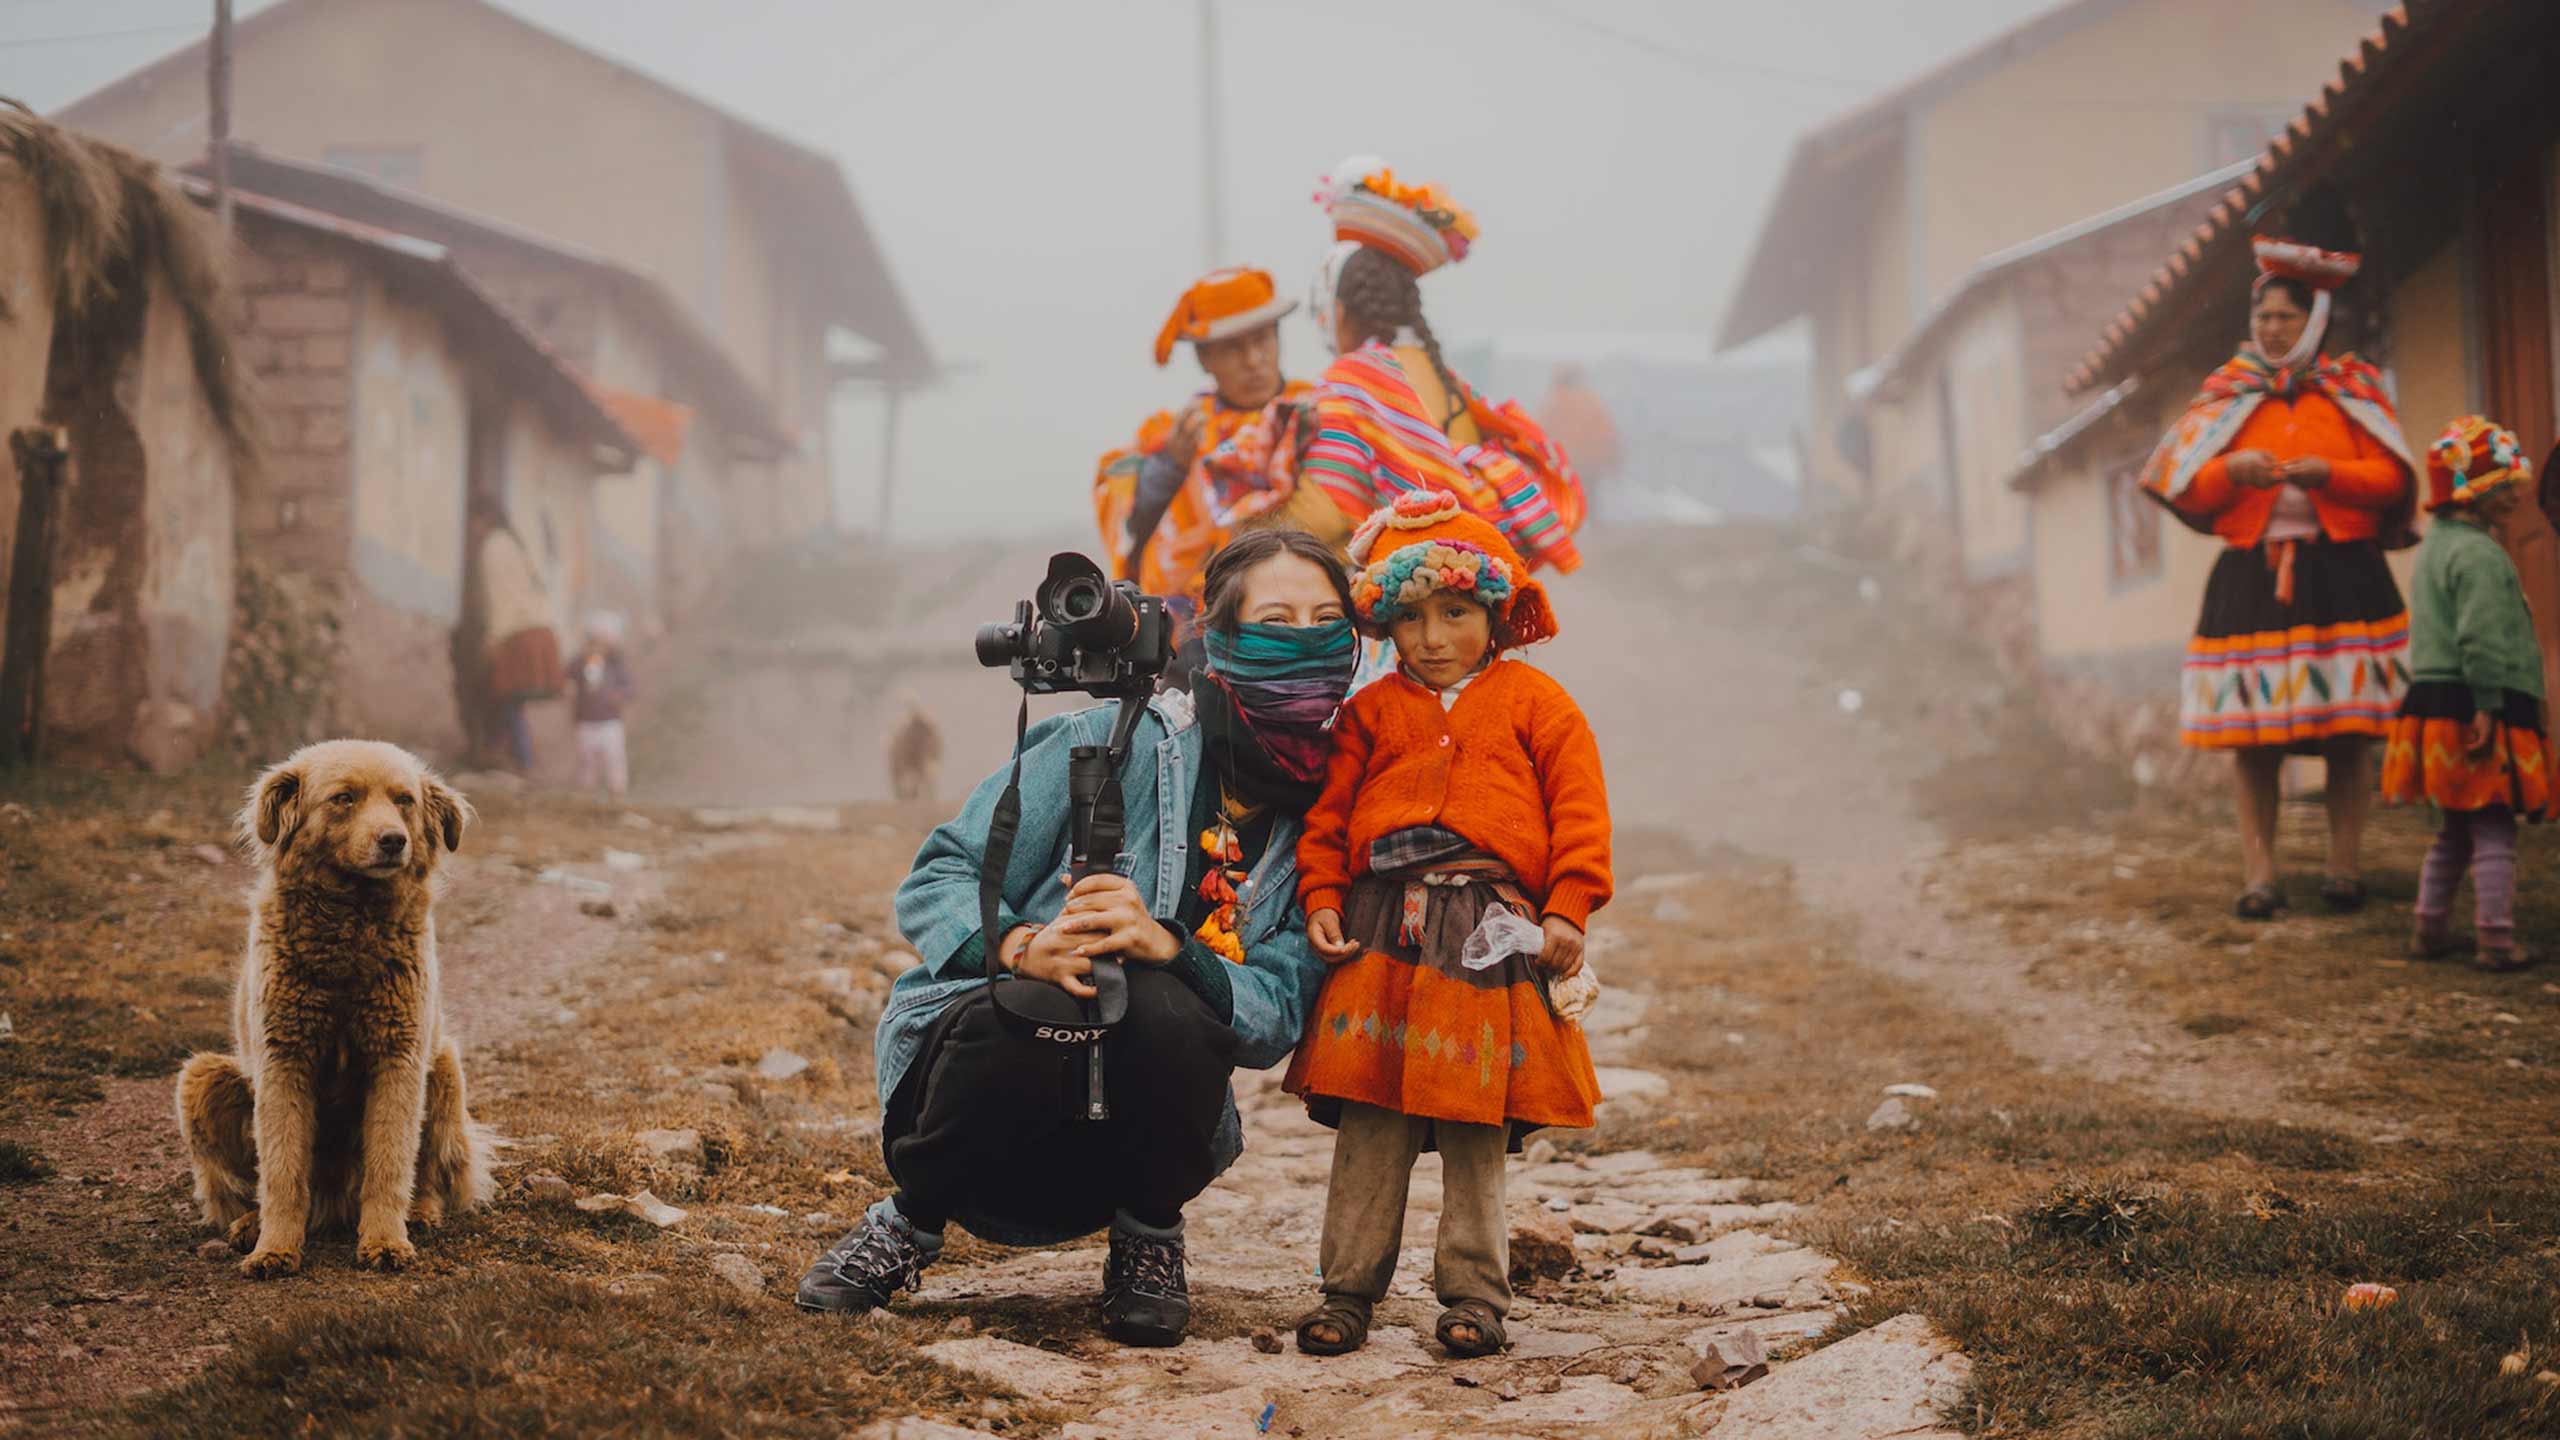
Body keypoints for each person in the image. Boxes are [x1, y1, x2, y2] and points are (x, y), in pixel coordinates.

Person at [794, 529, 1356, 1347]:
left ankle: (1148, 1236)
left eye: (1324, 621)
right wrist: (1023, 945)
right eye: (1276, 620)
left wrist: (1176, 949)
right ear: (1222, 640)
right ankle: (908, 1222)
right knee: (1047, 988)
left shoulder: (1333, 825)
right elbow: (939, 878)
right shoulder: (1112, 742)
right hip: (990, 1095)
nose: (1301, 641)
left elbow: (1272, 1020)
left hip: (1143, 1126)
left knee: (1166, 1001)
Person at [1286, 490, 1610, 1360]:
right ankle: (1346, 1292)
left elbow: (1580, 814)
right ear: (1386, 625)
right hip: (1381, 931)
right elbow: (1327, 821)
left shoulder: (1540, 704)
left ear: (1496, 613)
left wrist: (1568, 906)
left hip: (1485, 932)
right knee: (1372, 1117)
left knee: (1474, 1117)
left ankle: (1475, 1296)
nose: (1432, 638)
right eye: (1412, 619)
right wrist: (1321, 897)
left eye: (1456, 613)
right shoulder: (1369, 714)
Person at [2141, 237, 2417, 920]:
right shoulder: (2228, 395)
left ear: (2315, 320)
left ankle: (2343, 868)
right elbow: (2185, 487)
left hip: (2342, 577)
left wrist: (2333, 476)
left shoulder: (2350, 390)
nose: (2270, 330)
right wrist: (2228, 473)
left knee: (2347, 733)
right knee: (2253, 740)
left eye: (2285, 319)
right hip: (2252, 582)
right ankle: (2259, 874)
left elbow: (2389, 480)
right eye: (2262, 318)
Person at [1208, 157, 1586, 580]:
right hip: (1462, 588)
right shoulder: (1447, 384)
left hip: (1394, 611)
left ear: (1339, 311)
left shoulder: (1354, 382)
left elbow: (1326, 514)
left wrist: (1246, 538)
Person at [2381, 417, 2554, 972]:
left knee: (2455, 827)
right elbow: (2478, 637)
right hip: (2478, 706)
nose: (2513, 502)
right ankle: (2496, 940)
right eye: (2503, 491)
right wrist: (2488, 703)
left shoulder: (2435, 550)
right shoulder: (2479, 555)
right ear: (2471, 492)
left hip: (2435, 704)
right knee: (2495, 824)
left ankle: (2429, 929)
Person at [1093, 267, 1315, 615]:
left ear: (1278, 338)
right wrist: (1168, 467)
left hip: (1307, 609)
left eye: (1261, 340)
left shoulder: (1318, 414)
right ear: (1204, 358)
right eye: (1232, 348)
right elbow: (1124, 515)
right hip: (1195, 628)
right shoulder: (1172, 435)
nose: (1253, 360)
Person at [470, 500, 562, 774]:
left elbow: (501, 599)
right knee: (510, 701)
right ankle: (510, 758)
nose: (472, 529)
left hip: (516, 633)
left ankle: (519, 761)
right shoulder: (513, 544)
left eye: (474, 522)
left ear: (483, 519)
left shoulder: (493, 549)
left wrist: (493, 639)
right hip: (537, 628)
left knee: (505, 699)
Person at [568, 612, 635, 802]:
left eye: (603, 642)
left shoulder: (616, 664)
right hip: (585, 720)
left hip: (610, 721)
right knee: (587, 761)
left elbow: (630, 687)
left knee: (614, 759)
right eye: (594, 642)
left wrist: (619, 696)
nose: (598, 646)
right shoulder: (578, 663)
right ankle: (586, 795)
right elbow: (567, 679)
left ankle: (617, 794)